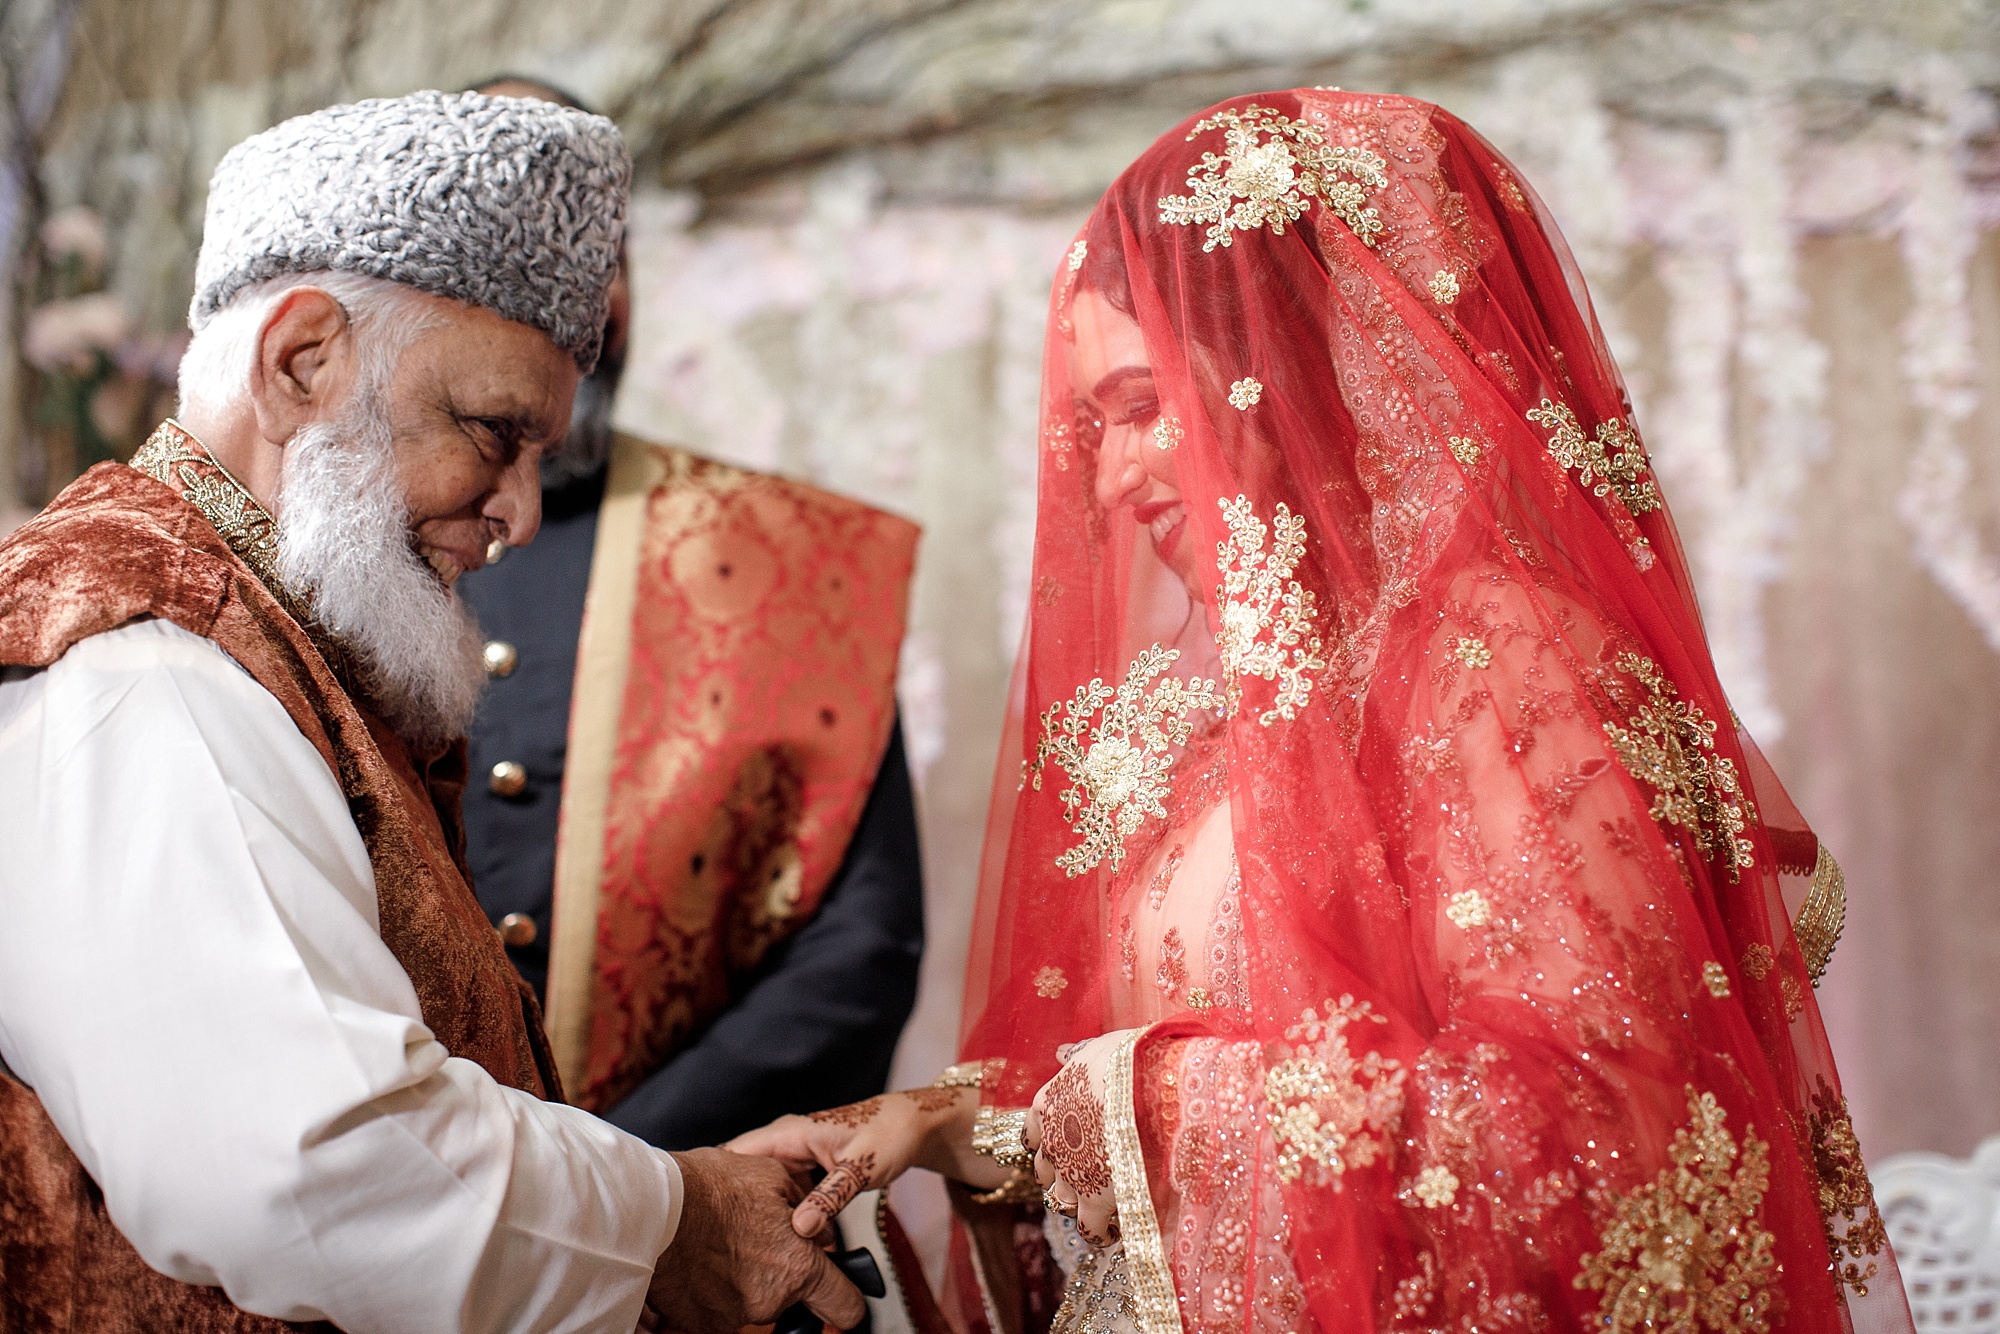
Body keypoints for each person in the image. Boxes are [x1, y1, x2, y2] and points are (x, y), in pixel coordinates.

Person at [730, 89, 1917, 1334]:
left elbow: (1604, 1127)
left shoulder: (1498, 668)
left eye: (1141, 407)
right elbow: (1169, 1143)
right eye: (1093, 426)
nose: (1109, 476)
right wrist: (935, 1126)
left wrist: (1144, 1099)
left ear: (1287, 366)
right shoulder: (1238, 728)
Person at [0, 90, 863, 1334]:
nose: (515, 511)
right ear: (302, 361)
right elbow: (314, 1167)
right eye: (492, 431)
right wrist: (670, 1218)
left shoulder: (265, 635)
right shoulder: (144, 661)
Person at [448, 75, 925, 1146]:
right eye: (524, 242)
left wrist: (627, 1190)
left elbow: (860, 947)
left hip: (708, 1223)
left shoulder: (788, 559)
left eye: (602, 253)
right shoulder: (313, 563)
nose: (581, 295)